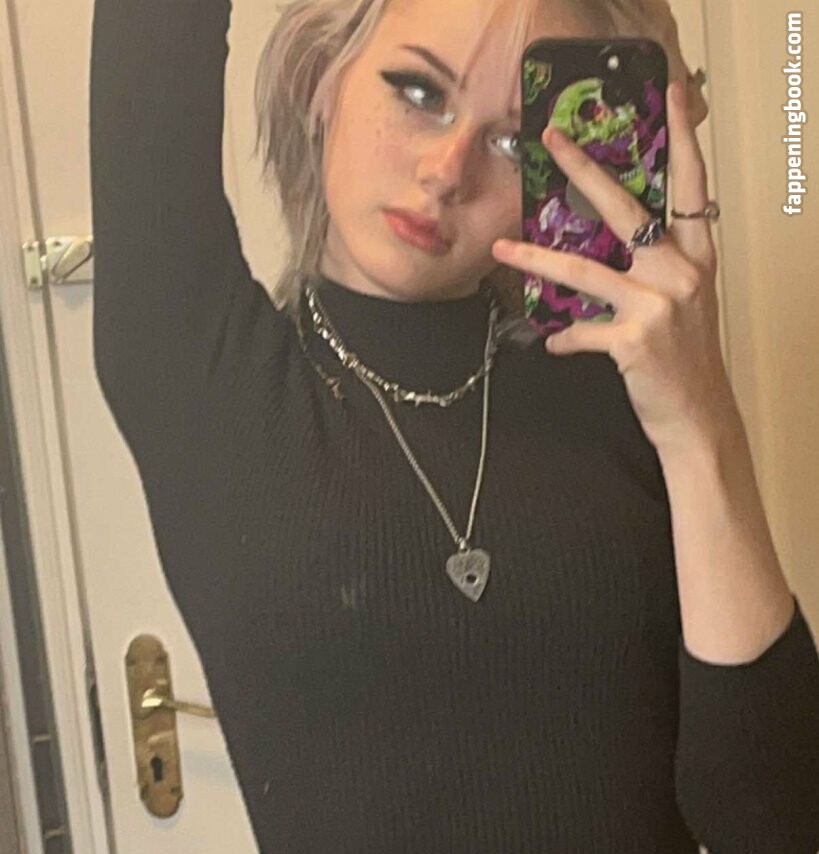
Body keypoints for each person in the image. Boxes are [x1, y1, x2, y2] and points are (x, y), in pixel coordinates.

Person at [89, 0, 819, 850]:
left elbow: (780, 824)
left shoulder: (624, 377)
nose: (446, 171)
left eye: (513, 141)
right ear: (322, 78)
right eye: (417, 92)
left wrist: (700, 424)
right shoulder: (202, 371)